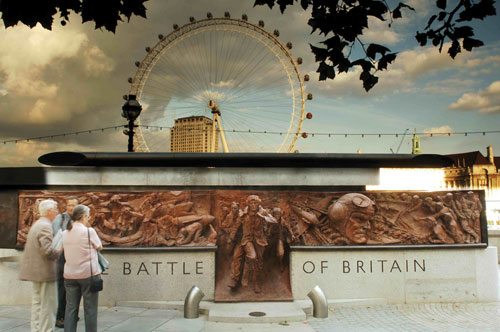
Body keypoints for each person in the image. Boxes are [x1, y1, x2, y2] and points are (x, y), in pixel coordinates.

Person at [19, 199, 62, 332]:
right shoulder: (45, 226)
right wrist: (61, 248)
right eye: (55, 209)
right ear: (49, 211)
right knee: (48, 306)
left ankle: (36, 329)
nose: (57, 212)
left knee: (37, 304)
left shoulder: (38, 224)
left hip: (37, 272)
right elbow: (48, 251)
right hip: (45, 273)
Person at [62, 205, 103, 332]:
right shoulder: (89, 231)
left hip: (69, 276)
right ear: (84, 216)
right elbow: (99, 246)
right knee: (90, 309)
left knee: (70, 309)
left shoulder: (64, 232)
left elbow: (62, 248)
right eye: (88, 215)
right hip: (88, 275)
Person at [52, 196, 79, 328]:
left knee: (72, 287)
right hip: (62, 257)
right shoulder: (60, 218)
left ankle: (70, 314)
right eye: (69, 205)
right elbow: (55, 235)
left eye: (74, 205)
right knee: (61, 288)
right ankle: (59, 316)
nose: (71, 208)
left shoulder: (79, 219)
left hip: (74, 256)